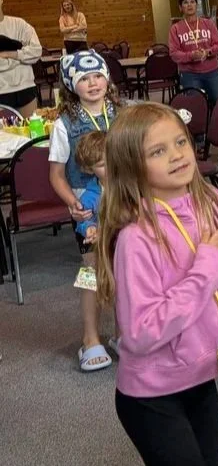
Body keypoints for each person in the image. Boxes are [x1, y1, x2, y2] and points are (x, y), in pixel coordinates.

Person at [95, 102, 218, 466]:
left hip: (199, 374)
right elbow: (141, 332)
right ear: (132, 166)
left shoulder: (210, 200)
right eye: (158, 151)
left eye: (180, 142)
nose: (176, 155)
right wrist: (211, 259)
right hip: (152, 393)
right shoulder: (136, 237)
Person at [47, 51, 123, 372]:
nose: (93, 83)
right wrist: (73, 204)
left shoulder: (121, 113)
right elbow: (56, 174)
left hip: (123, 202)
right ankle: (90, 338)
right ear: (71, 85)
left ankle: (123, 334)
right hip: (87, 209)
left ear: (107, 78)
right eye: (84, 79)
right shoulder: (64, 124)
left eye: (98, 76)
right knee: (91, 269)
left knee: (126, 265)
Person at [168, 0, 218, 104]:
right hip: (190, 74)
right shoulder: (175, 28)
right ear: (180, 8)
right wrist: (192, 56)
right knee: (195, 105)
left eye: (192, 2)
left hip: (212, 71)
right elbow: (174, 53)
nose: (189, 5)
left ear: (196, 5)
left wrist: (207, 52)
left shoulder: (208, 24)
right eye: (185, 2)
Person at [0, 0, 44, 118]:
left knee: (32, 128)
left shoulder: (19, 24)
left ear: (1, 0)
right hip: (2, 91)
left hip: (26, 88)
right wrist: (21, 58)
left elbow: (36, 51)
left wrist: (12, 54)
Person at [74, 131, 107, 249]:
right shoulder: (89, 198)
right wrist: (90, 228)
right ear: (89, 169)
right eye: (103, 165)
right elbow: (83, 222)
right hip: (108, 246)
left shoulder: (131, 184)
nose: (111, 166)